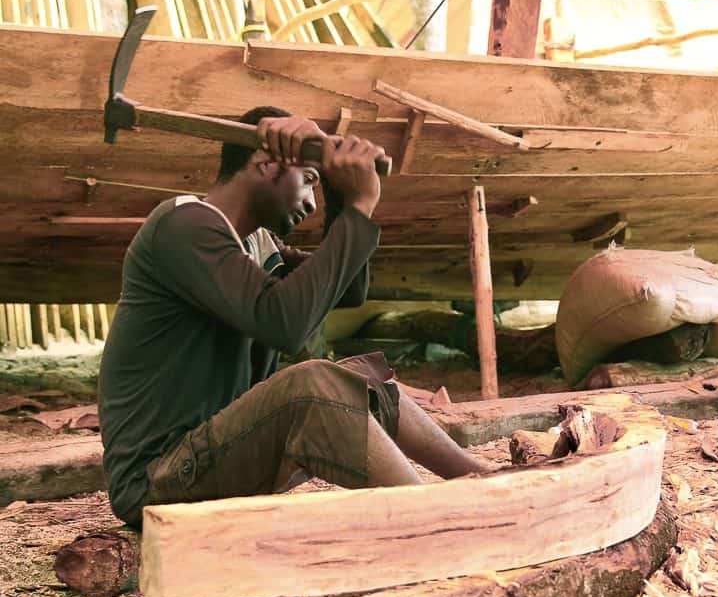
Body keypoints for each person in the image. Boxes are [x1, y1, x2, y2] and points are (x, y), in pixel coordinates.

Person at [98, 106, 493, 528]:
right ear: (267, 162)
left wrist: (342, 194)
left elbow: (348, 289)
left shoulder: (255, 244)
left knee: (363, 377)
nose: (310, 203)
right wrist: (360, 204)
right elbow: (284, 323)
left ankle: (483, 484)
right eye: (309, 181)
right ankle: (440, 524)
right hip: (156, 481)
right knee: (310, 383)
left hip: (215, 454)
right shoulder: (182, 225)